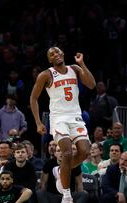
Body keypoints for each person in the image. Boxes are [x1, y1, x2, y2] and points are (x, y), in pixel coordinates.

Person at [30, 46, 96, 203]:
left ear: (63, 54)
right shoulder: (45, 74)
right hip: (58, 118)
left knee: (85, 151)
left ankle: (61, 171)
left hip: (75, 116)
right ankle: (66, 195)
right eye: (52, 54)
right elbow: (33, 98)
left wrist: (82, 64)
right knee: (66, 152)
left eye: (58, 51)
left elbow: (92, 85)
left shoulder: (74, 68)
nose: (56, 54)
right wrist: (38, 122)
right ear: (50, 59)